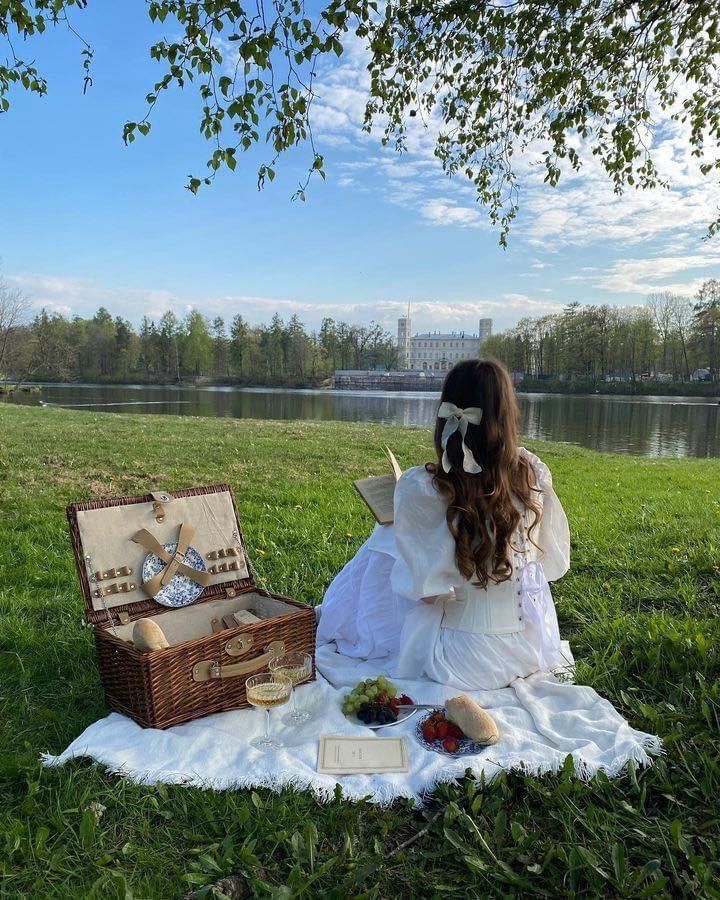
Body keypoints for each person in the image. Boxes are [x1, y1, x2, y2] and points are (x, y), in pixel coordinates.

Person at [316, 358, 573, 690]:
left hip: (461, 662)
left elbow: (424, 593)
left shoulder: (422, 489)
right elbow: (545, 564)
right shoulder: (531, 474)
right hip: (524, 653)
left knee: (399, 599)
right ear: (507, 415)